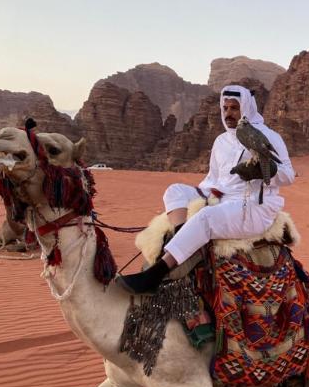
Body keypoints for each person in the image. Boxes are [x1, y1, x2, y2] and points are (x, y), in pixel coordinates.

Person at [116, 85, 295, 294]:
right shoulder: (221, 140)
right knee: (175, 191)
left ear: (246, 109)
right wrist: (207, 194)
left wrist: (263, 171)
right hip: (222, 197)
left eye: (234, 108)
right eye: (225, 108)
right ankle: (181, 240)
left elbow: (288, 175)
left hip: (253, 205)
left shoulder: (269, 136)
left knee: (206, 217)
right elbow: (213, 179)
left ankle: (154, 275)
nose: (228, 113)